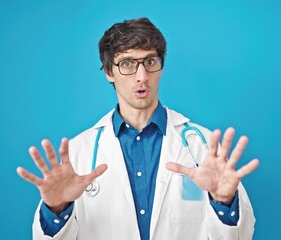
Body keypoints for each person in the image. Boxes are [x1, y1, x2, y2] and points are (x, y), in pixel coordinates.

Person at [17, 17, 260, 240]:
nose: (141, 75)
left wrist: (224, 201)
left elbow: (242, 235)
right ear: (109, 72)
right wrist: (56, 209)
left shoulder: (203, 146)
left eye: (150, 61)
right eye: (128, 64)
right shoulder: (79, 152)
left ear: (161, 66)